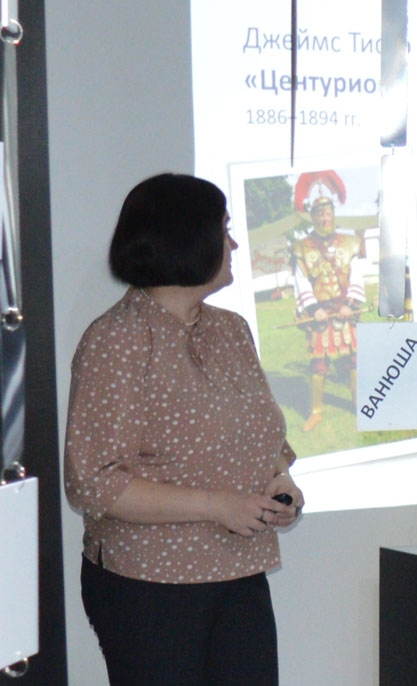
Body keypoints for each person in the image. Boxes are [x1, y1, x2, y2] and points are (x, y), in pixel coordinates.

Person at [64, 173, 304, 686]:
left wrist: (279, 480)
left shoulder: (231, 330)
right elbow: (94, 483)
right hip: (150, 585)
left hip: (239, 574)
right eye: (224, 230)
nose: (234, 244)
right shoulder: (117, 340)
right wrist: (216, 505)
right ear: (187, 240)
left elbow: (261, 435)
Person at [290, 175, 367, 432]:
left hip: (345, 312)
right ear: (313, 217)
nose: (325, 218)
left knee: (353, 361)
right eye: (320, 214)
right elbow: (301, 280)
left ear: (333, 214)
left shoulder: (350, 242)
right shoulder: (302, 247)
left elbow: (357, 275)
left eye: (328, 213)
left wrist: (350, 304)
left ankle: (359, 406)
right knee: (318, 365)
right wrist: (315, 309)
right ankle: (316, 412)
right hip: (320, 316)